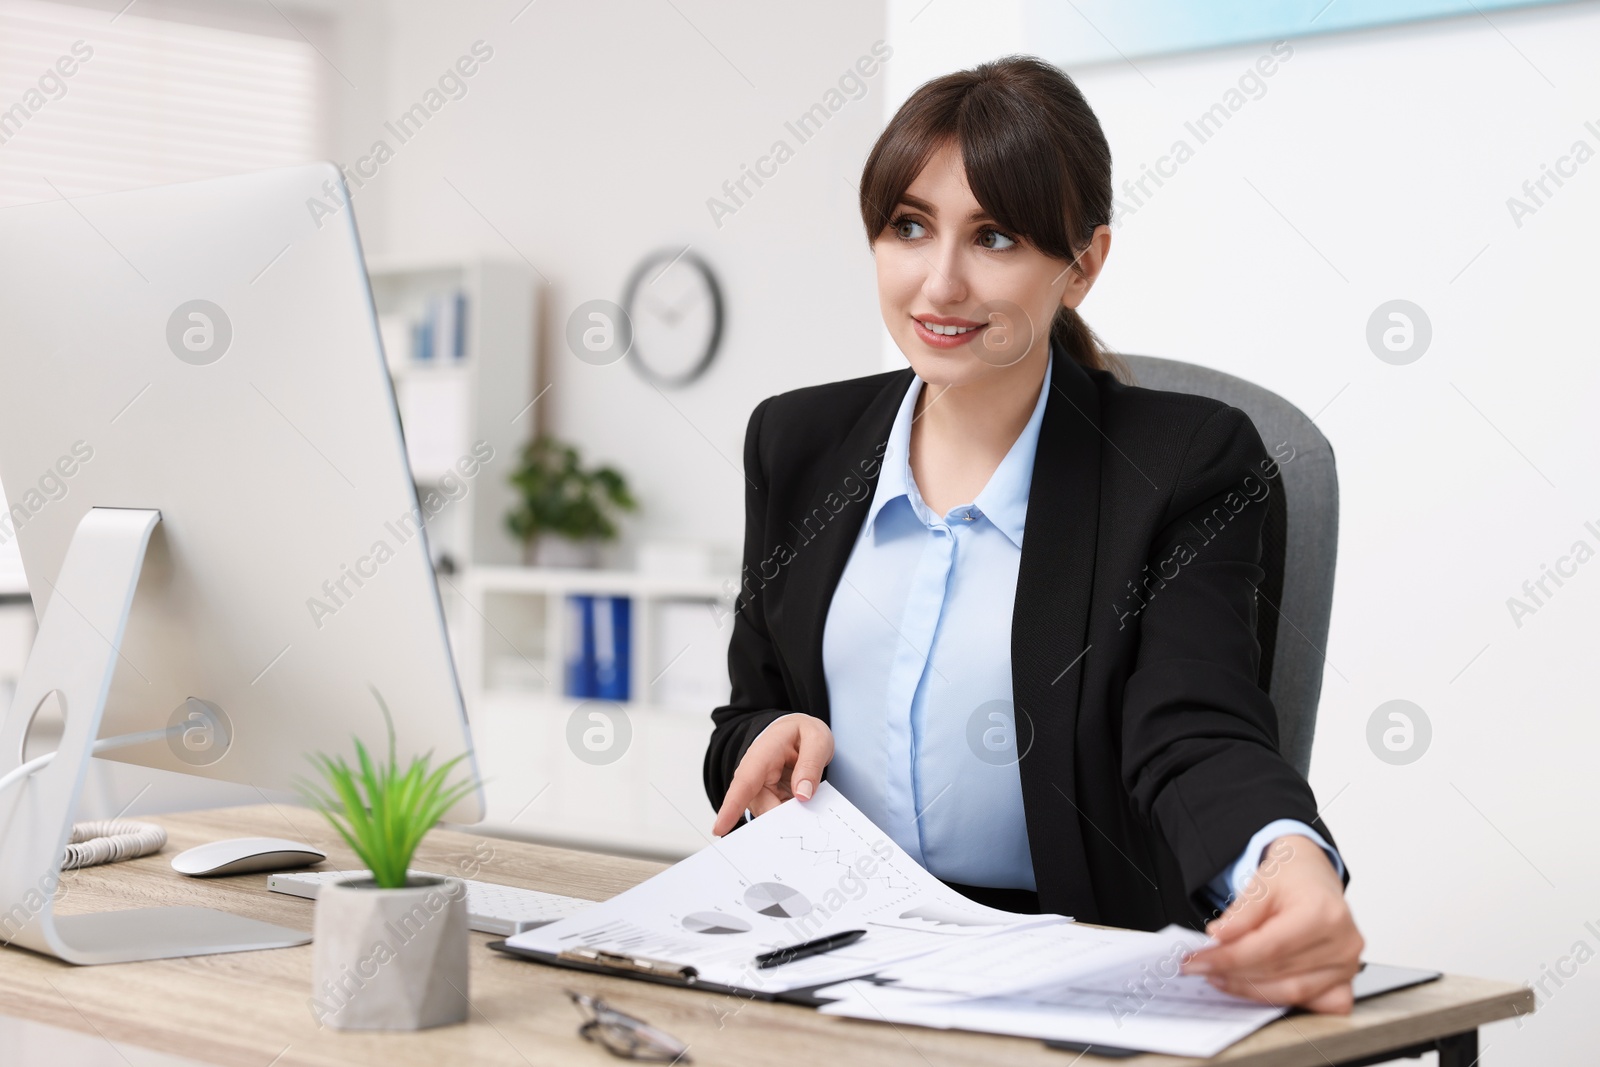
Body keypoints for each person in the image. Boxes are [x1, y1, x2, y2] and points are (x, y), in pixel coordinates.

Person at [701, 54, 1363, 1012]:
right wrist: (769, 736)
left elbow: (1193, 729)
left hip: (1059, 970)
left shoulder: (1183, 464)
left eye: (996, 236)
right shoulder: (798, 442)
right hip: (828, 958)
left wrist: (1286, 858)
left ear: (1082, 264)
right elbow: (741, 725)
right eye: (909, 227)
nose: (940, 282)